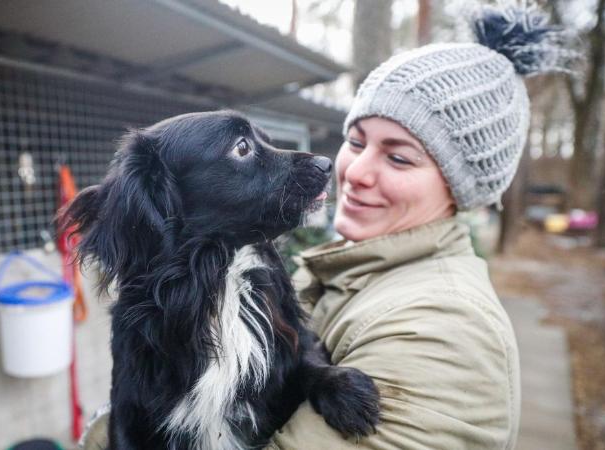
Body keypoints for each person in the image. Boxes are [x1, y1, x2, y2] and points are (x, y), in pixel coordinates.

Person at [83, 5, 571, 449]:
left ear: (459, 189)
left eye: (399, 157)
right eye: (356, 142)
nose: (353, 172)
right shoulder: (323, 271)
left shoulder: (446, 331)